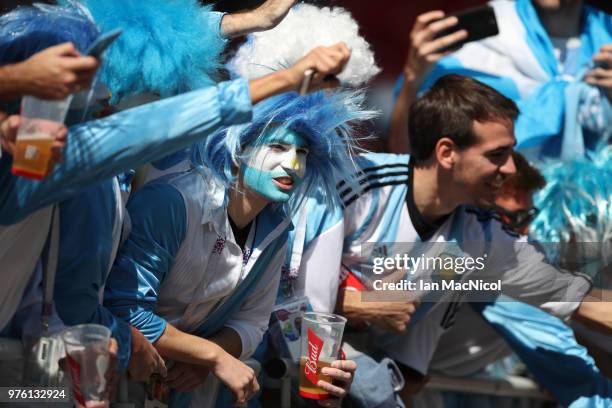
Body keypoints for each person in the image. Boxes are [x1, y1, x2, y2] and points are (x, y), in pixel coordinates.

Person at [335, 75, 612, 405]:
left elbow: (580, 301)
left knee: (376, 390)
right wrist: (358, 304)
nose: (510, 168)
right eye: (497, 154)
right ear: (447, 152)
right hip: (273, 360)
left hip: (350, 374)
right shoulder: (358, 186)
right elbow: (275, 284)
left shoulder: (479, 237)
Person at [103, 81, 366, 406]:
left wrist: (206, 357)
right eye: (277, 148)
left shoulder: (276, 230)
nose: (293, 165)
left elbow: (251, 322)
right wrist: (212, 355)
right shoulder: (173, 203)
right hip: (115, 381)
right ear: (238, 153)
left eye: (302, 153)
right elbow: (125, 309)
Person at [388, 0, 612, 159]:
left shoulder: (607, 35)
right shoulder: (475, 48)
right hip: (492, 220)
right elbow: (405, 156)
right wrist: (413, 78)